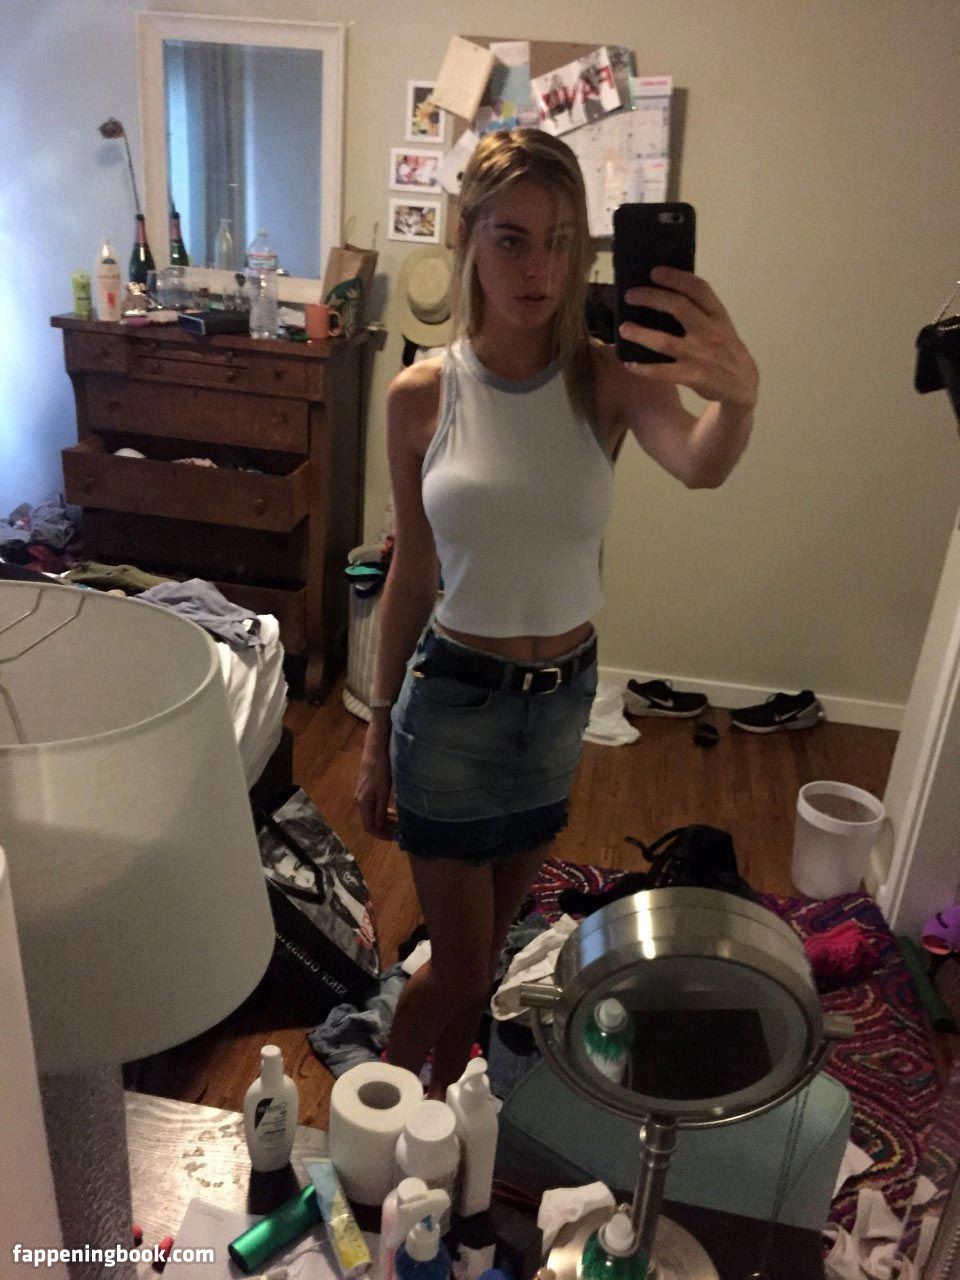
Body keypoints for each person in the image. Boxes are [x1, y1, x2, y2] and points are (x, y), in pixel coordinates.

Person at [355, 129, 758, 1098]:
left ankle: (441, 1114)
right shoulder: (421, 397)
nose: (539, 269)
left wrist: (740, 397)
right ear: (467, 238)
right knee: (461, 968)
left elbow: (700, 463)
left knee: (486, 955)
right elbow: (411, 570)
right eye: (512, 240)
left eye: (561, 241)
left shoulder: (608, 378)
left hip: (558, 706)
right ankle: (374, 1111)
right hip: (451, 708)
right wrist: (375, 730)